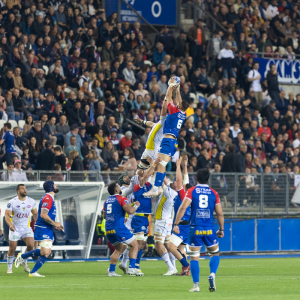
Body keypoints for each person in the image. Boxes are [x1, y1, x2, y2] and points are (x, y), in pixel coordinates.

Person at [173, 169, 224, 292]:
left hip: (195, 228)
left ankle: (196, 286)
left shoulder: (192, 191)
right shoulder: (214, 193)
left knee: (194, 257)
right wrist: (221, 229)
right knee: (214, 253)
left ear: (196, 179)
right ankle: (212, 274)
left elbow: (183, 208)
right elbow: (220, 214)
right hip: (209, 229)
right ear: (208, 179)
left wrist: (176, 223)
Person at [144, 78, 188, 197]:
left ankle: (155, 187)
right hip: (172, 142)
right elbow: (179, 101)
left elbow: (168, 98)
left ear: (179, 106)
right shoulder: (183, 113)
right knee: (160, 164)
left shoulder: (174, 111)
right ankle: (158, 187)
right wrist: (177, 89)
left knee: (161, 164)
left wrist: (170, 86)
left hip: (168, 140)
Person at [15, 181, 64, 277]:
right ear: (51, 187)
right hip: (43, 227)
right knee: (45, 252)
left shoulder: (50, 198)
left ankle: (31, 269)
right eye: (54, 184)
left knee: (47, 252)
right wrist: (54, 223)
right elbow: (43, 215)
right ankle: (23, 258)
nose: (56, 185)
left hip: (48, 228)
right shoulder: (47, 198)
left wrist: (54, 224)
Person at [103, 182, 141, 276]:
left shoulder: (106, 201)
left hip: (108, 229)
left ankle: (111, 271)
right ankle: (132, 268)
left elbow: (105, 216)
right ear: (116, 190)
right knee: (135, 245)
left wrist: (118, 217)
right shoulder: (121, 198)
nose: (120, 188)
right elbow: (130, 211)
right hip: (118, 228)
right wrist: (136, 205)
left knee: (118, 249)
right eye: (119, 187)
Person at [132, 158, 162, 275]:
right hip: (139, 217)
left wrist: (158, 165)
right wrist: (154, 163)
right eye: (140, 175)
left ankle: (136, 265)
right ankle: (133, 265)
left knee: (142, 244)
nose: (143, 176)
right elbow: (145, 176)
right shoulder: (137, 187)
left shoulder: (149, 186)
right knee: (138, 243)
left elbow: (152, 176)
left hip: (146, 218)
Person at [5, 184, 38, 273]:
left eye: (25, 188)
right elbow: (7, 215)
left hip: (26, 228)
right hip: (15, 228)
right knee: (12, 248)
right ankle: (9, 267)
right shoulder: (12, 202)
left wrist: (37, 224)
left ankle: (24, 261)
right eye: (22, 188)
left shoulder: (31, 201)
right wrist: (10, 225)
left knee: (31, 246)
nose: (25, 190)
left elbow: (35, 213)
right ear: (18, 191)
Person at [167, 156, 191, 275]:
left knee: (170, 246)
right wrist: (185, 166)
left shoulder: (183, 195)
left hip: (181, 226)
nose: (176, 182)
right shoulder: (188, 195)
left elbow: (181, 180)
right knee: (181, 249)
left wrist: (177, 166)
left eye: (176, 182)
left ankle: (187, 265)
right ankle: (185, 270)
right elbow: (185, 180)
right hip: (186, 226)